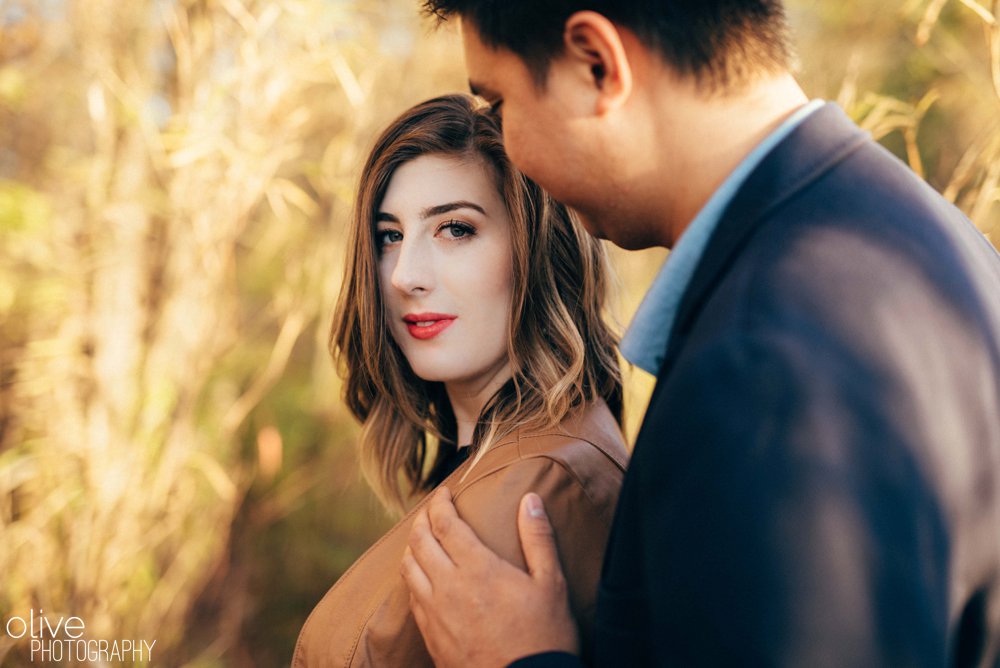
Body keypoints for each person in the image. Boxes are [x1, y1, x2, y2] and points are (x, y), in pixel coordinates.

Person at [401, 2, 1000, 666]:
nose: (509, 146)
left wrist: (522, 661)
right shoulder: (934, 236)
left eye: (500, 105)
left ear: (595, 65)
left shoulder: (761, 369)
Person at [292, 94, 628, 667]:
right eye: (389, 236)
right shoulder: (490, 463)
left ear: (537, 250)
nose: (405, 276)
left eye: (454, 228)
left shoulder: (542, 485)